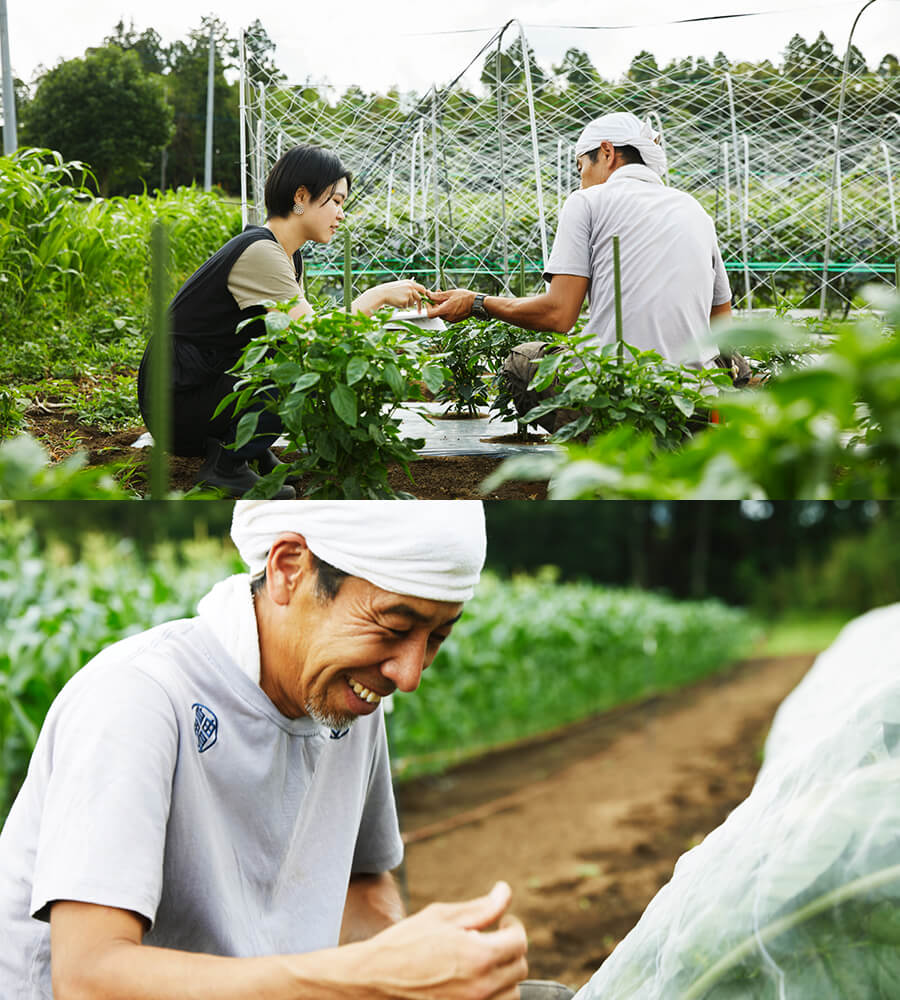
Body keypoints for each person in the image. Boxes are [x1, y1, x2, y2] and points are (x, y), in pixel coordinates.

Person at [0, 500, 576, 1000]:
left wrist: (418, 973)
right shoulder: (140, 699)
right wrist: (368, 976)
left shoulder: (346, 700)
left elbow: (361, 885)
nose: (408, 674)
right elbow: (90, 979)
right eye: (394, 626)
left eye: (437, 639)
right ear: (289, 568)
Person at [137, 144, 429, 498]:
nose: (341, 214)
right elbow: (315, 341)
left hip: (197, 386)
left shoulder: (286, 255)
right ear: (301, 196)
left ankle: (255, 452)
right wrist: (376, 296)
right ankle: (226, 465)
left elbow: (293, 333)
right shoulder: (262, 252)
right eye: (335, 202)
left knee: (280, 347)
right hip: (175, 402)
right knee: (300, 364)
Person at [426, 112, 740, 432]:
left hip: (621, 394)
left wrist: (476, 302)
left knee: (521, 363)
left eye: (581, 168)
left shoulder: (587, 202)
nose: (581, 179)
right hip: (694, 399)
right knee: (735, 361)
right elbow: (722, 326)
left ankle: (595, 444)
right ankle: (707, 436)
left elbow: (559, 316)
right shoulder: (694, 209)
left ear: (606, 152)